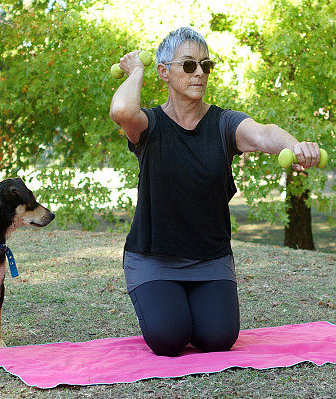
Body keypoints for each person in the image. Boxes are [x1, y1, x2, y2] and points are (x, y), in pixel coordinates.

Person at [109, 27, 323, 357]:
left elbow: (264, 135)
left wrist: (295, 147)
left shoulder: (224, 124)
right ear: (164, 72)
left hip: (210, 258)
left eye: (205, 66)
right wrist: (136, 68)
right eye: (189, 65)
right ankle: (168, 308)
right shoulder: (148, 126)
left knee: (218, 339)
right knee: (169, 339)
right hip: (153, 257)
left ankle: (191, 307)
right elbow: (122, 111)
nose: (199, 73)